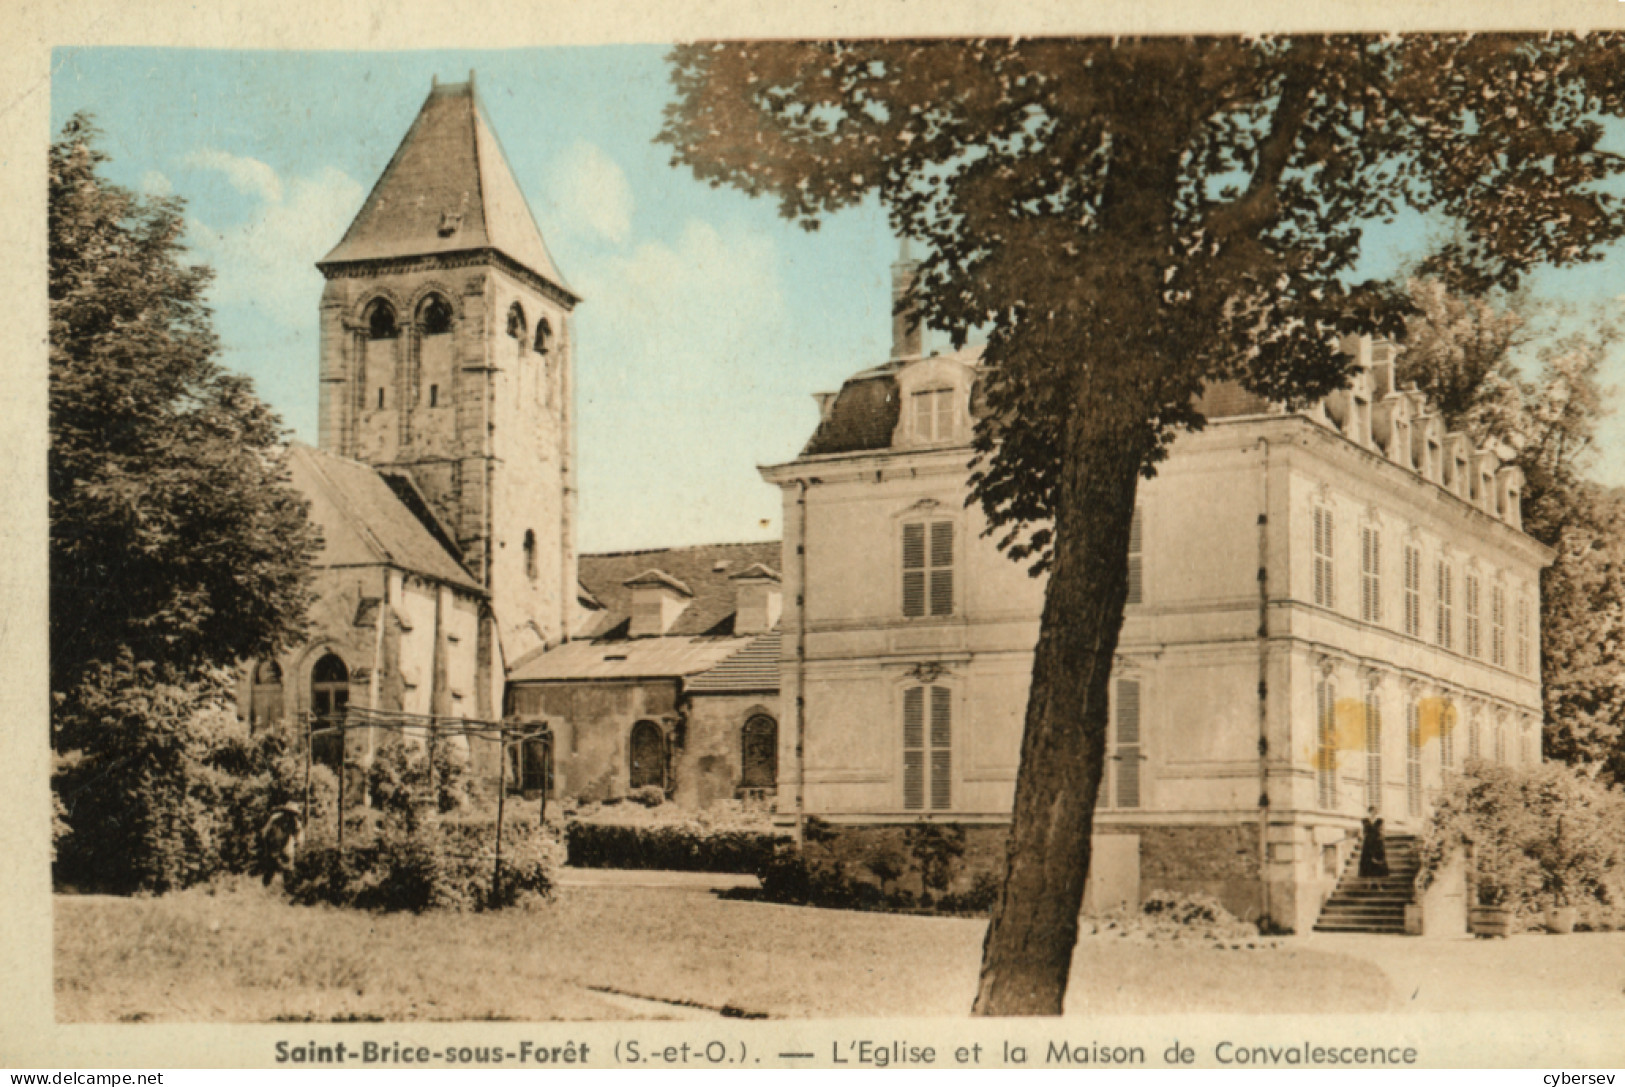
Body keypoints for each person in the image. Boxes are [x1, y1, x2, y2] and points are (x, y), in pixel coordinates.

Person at [258, 802, 303, 887]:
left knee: (288, 867)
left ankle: (288, 887)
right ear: (284, 811)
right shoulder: (275, 818)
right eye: (288, 813)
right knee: (270, 865)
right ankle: (265, 885)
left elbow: (299, 834)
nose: (289, 815)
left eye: (292, 814)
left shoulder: (295, 822)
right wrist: (266, 843)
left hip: (287, 845)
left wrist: (298, 842)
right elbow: (265, 830)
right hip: (274, 844)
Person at [1358, 806, 1389, 879]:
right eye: (1372, 811)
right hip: (1368, 843)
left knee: (1378, 861)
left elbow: (1383, 831)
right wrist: (1362, 837)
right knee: (1368, 861)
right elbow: (1361, 831)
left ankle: (1379, 884)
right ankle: (1368, 884)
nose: (1373, 813)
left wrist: (1381, 838)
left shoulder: (1380, 821)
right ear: (1369, 812)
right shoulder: (1365, 821)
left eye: (1375, 811)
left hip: (1377, 842)